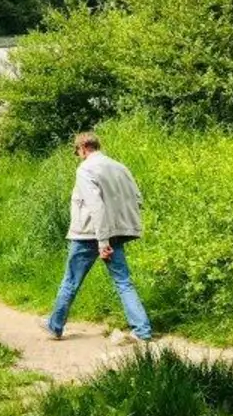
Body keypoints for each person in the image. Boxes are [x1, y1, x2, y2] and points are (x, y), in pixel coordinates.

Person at [42, 132, 153, 343]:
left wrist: (102, 242)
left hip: (89, 234)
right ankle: (142, 331)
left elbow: (95, 205)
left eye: (77, 151)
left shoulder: (86, 169)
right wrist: (116, 229)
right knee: (123, 282)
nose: (78, 156)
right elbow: (137, 199)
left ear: (83, 147)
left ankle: (54, 326)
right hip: (115, 232)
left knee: (71, 280)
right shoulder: (120, 167)